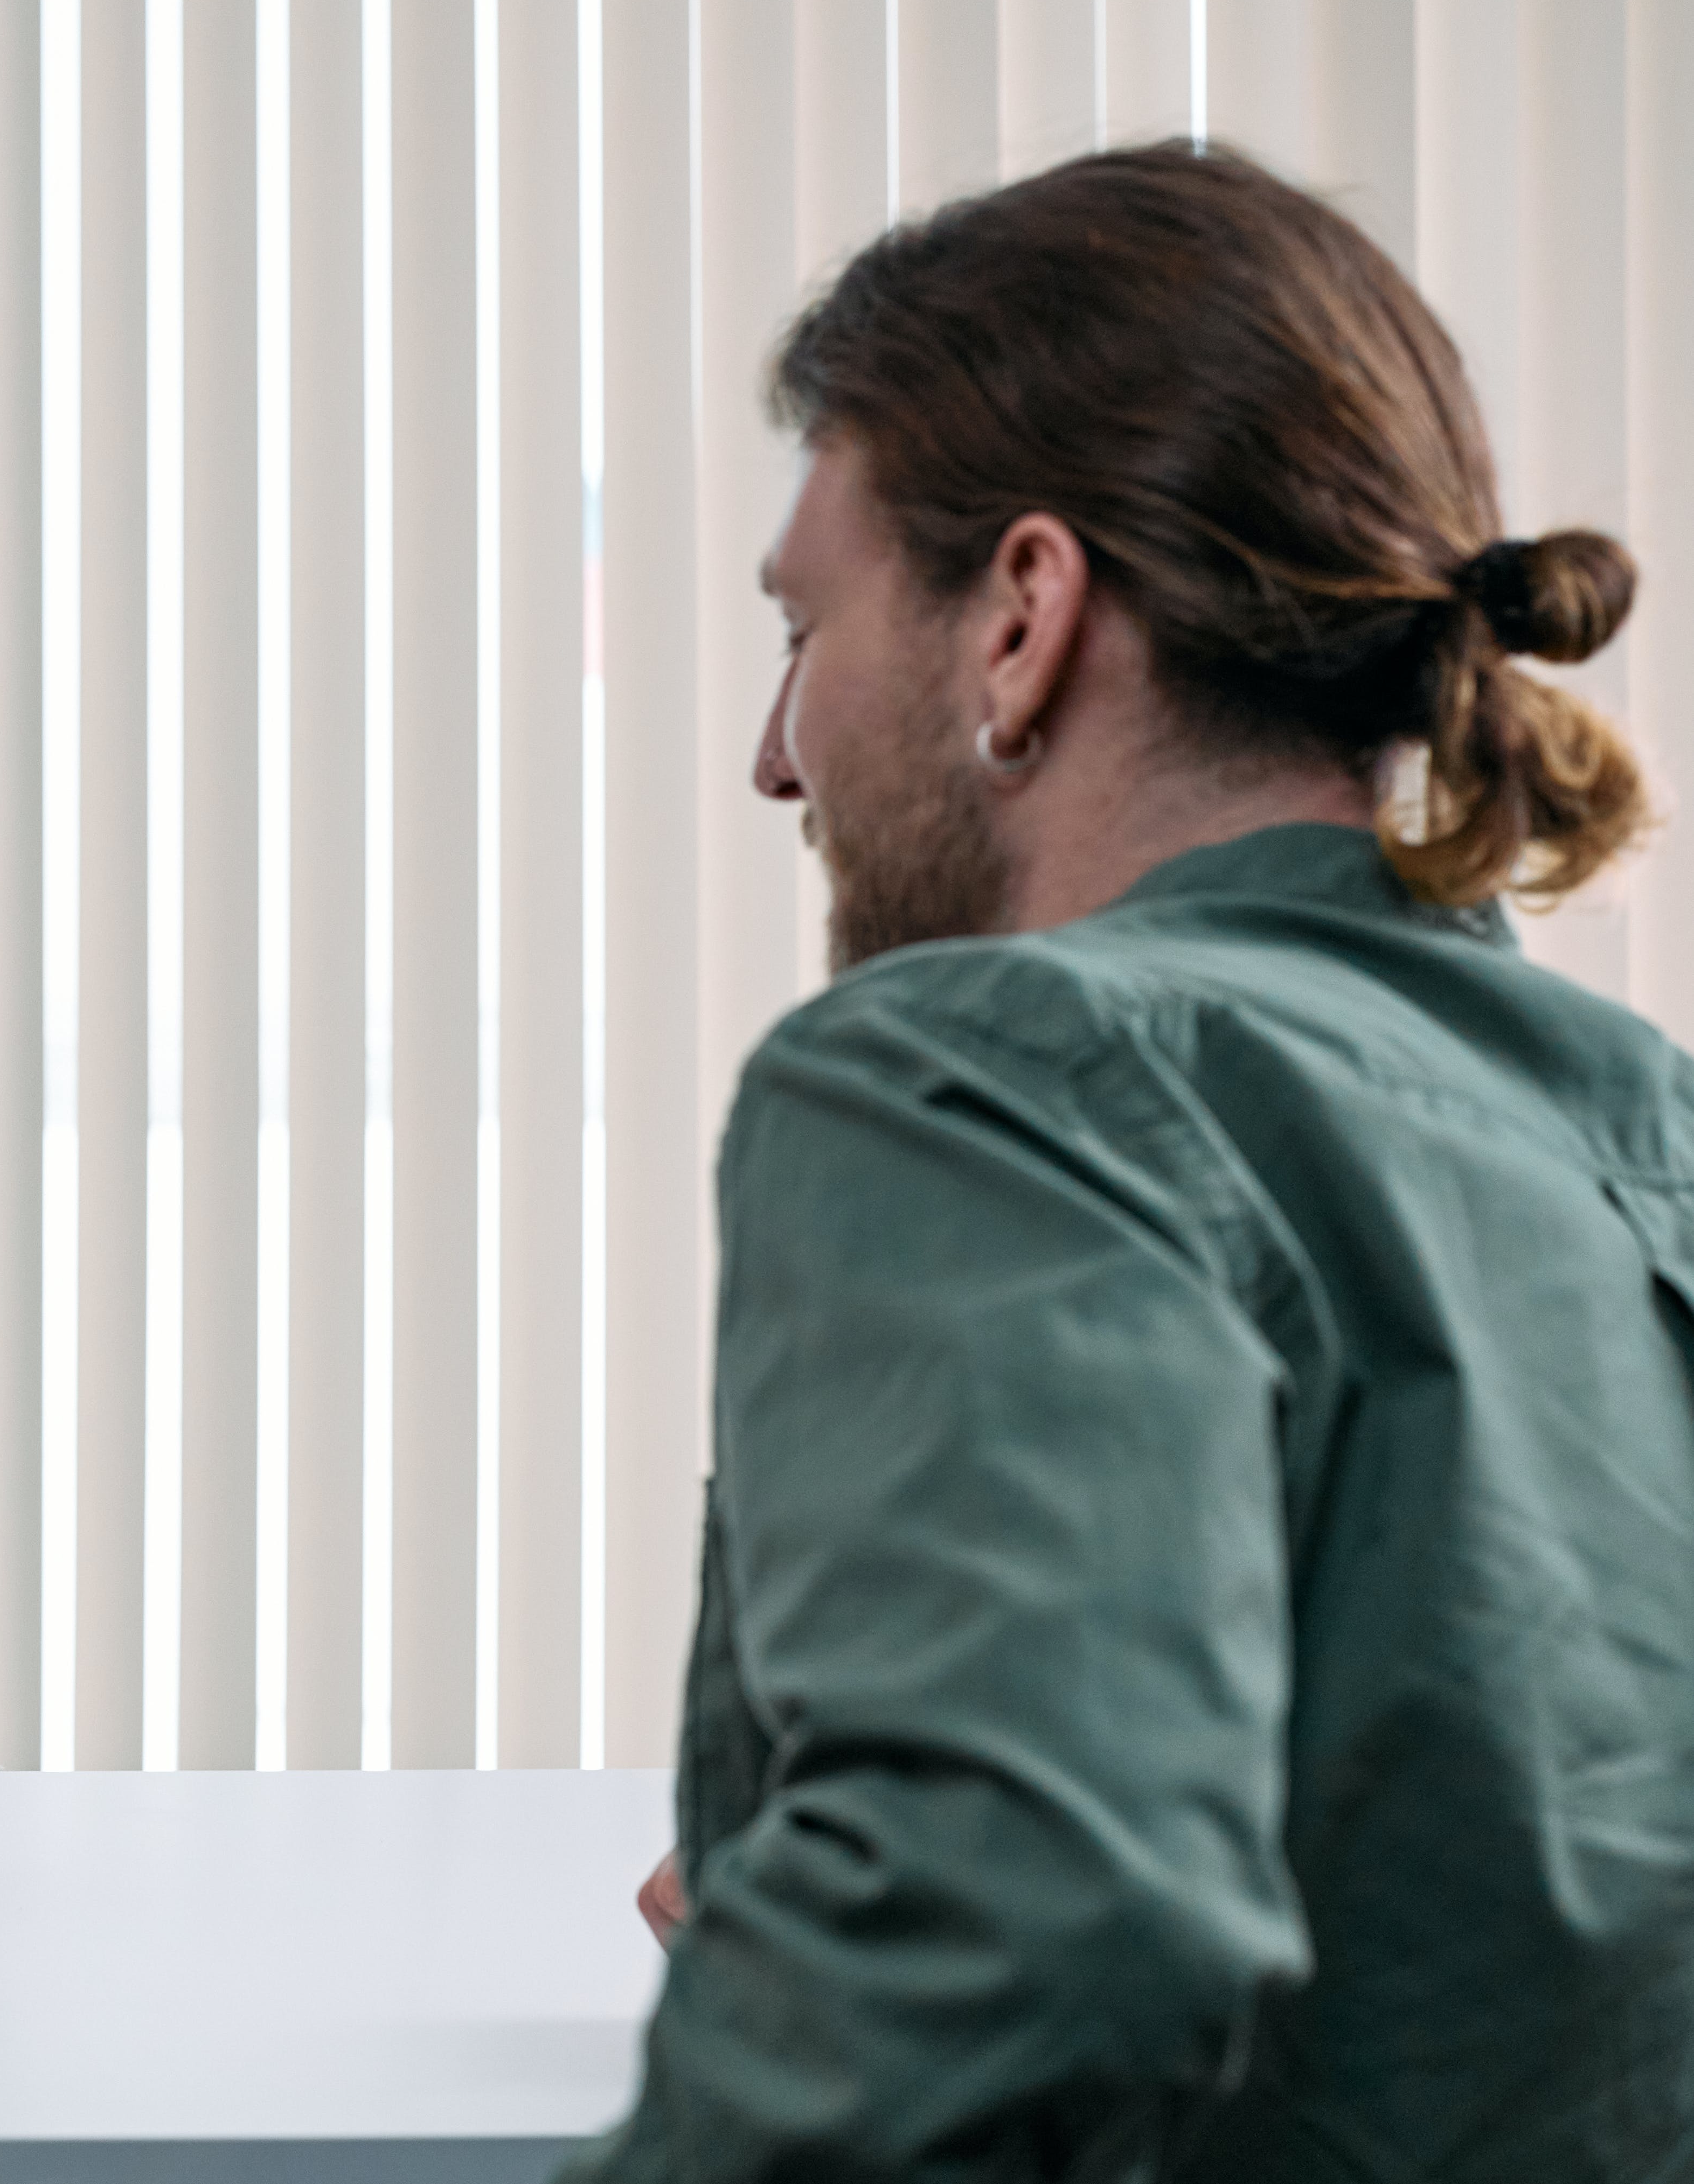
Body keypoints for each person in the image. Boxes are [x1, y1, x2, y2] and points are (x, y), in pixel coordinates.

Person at [568, 146, 1694, 2179]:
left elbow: (1014, 1929)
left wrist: (894, 1897)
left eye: (802, 627)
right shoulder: (1632, 1122)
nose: (771, 752)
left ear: (1019, 617)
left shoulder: (985, 1069)